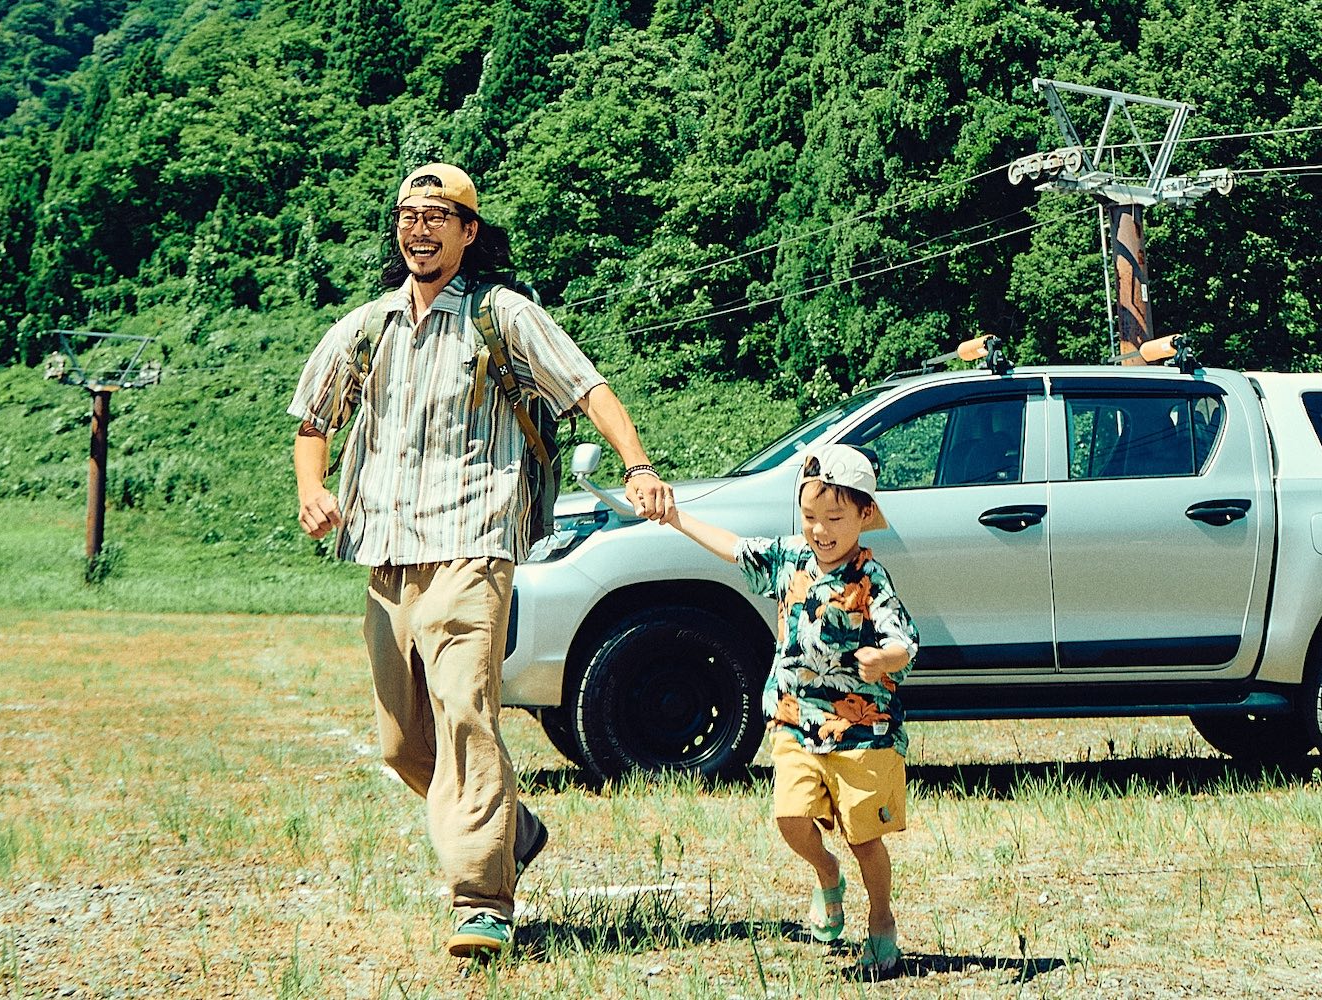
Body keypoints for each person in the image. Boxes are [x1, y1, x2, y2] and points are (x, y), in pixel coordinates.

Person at [287, 162, 677, 959]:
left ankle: (482, 900)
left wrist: (636, 463)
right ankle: (516, 828)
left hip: (474, 542)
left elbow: (588, 390)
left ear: (469, 231)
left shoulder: (504, 317)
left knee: (467, 713)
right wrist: (311, 489)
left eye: (437, 215)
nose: (419, 228)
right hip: (386, 553)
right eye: (407, 215)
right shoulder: (367, 328)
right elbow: (312, 419)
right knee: (403, 745)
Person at [663, 443, 918, 978]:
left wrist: (883, 657)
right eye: (809, 517)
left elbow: (905, 641)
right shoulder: (790, 559)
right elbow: (733, 548)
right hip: (795, 717)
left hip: (861, 731)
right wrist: (677, 517)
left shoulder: (871, 579)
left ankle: (880, 919)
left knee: (863, 837)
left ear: (864, 515)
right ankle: (827, 876)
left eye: (834, 518)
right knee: (790, 816)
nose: (820, 530)